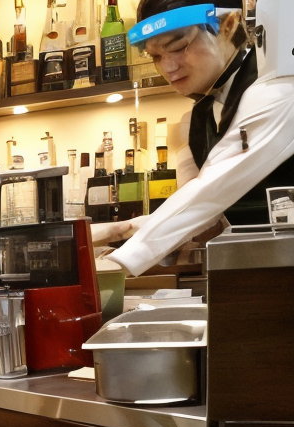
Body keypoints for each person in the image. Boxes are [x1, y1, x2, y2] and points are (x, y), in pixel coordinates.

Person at [100, 0, 294, 276]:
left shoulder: (279, 88)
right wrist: (124, 229)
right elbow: (212, 213)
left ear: (229, 25)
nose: (168, 67)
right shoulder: (201, 114)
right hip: (267, 275)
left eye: (179, 47)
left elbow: (210, 193)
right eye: (155, 56)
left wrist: (117, 265)